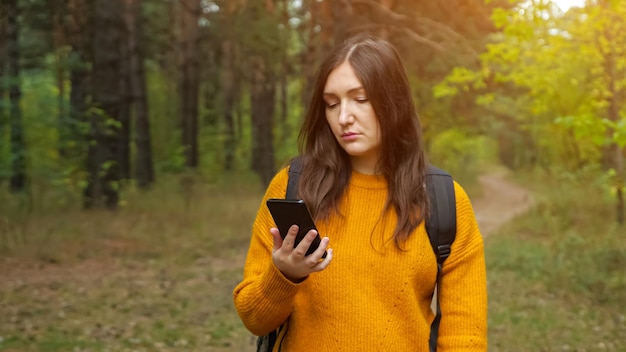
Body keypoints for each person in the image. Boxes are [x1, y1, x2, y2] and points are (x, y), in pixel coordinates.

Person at [233, 34, 487, 351]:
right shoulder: (293, 186)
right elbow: (253, 318)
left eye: (360, 99)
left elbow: (465, 337)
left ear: (393, 100)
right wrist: (284, 275)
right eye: (332, 104)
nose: (343, 117)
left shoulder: (444, 199)